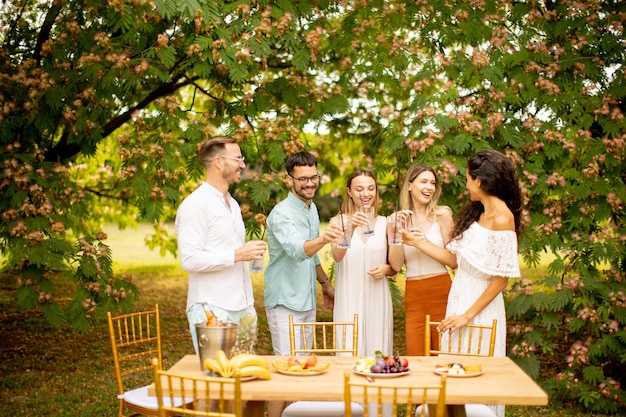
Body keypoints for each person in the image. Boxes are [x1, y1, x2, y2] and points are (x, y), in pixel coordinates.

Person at [434, 149, 523, 417]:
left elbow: (501, 280)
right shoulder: (478, 213)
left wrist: (467, 315)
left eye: (468, 179)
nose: (466, 184)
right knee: (453, 370)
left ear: (480, 182)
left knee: (477, 372)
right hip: (460, 295)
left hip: (480, 309)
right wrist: (417, 242)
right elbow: (455, 260)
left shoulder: (502, 218)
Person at [264, 151, 343, 417]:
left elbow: (311, 257)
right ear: (290, 180)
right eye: (302, 179)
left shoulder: (311, 208)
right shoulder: (281, 214)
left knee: (303, 370)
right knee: (286, 372)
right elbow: (299, 250)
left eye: (313, 177)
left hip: (306, 300)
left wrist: (325, 282)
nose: (309, 184)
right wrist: (324, 238)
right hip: (284, 301)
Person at [175, 136, 267, 355]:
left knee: (243, 377)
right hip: (213, 309)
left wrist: (246, 253)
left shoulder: (232, 204)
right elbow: (189, 259)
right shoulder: (195, 205)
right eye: (237, 159)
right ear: (218, 162)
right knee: (218, 379)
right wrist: (237, 254)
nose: (243, 165)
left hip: (244, 309)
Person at [388, 164, 456, 356]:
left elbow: (453, 261)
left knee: (442, 354)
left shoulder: (442, 215)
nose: (429, 187)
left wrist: (421, 242)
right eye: (423, 182)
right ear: (409, 185)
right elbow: (395, 265)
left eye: (432, 183)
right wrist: (395, 232)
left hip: (440, 289)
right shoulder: (395, 219)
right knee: (417, 354)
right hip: (414, 294)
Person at [330, 169, 395, 356]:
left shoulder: (385, 223)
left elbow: (395, 266)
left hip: (377, 296)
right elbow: (337, 256)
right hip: (349, 296)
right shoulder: (338, 221)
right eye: (359, 189)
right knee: (348, 350)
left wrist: (386, 269)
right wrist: (350, 227)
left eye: (371, 188)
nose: (366, 194)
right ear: (349, 191)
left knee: (378, 354)